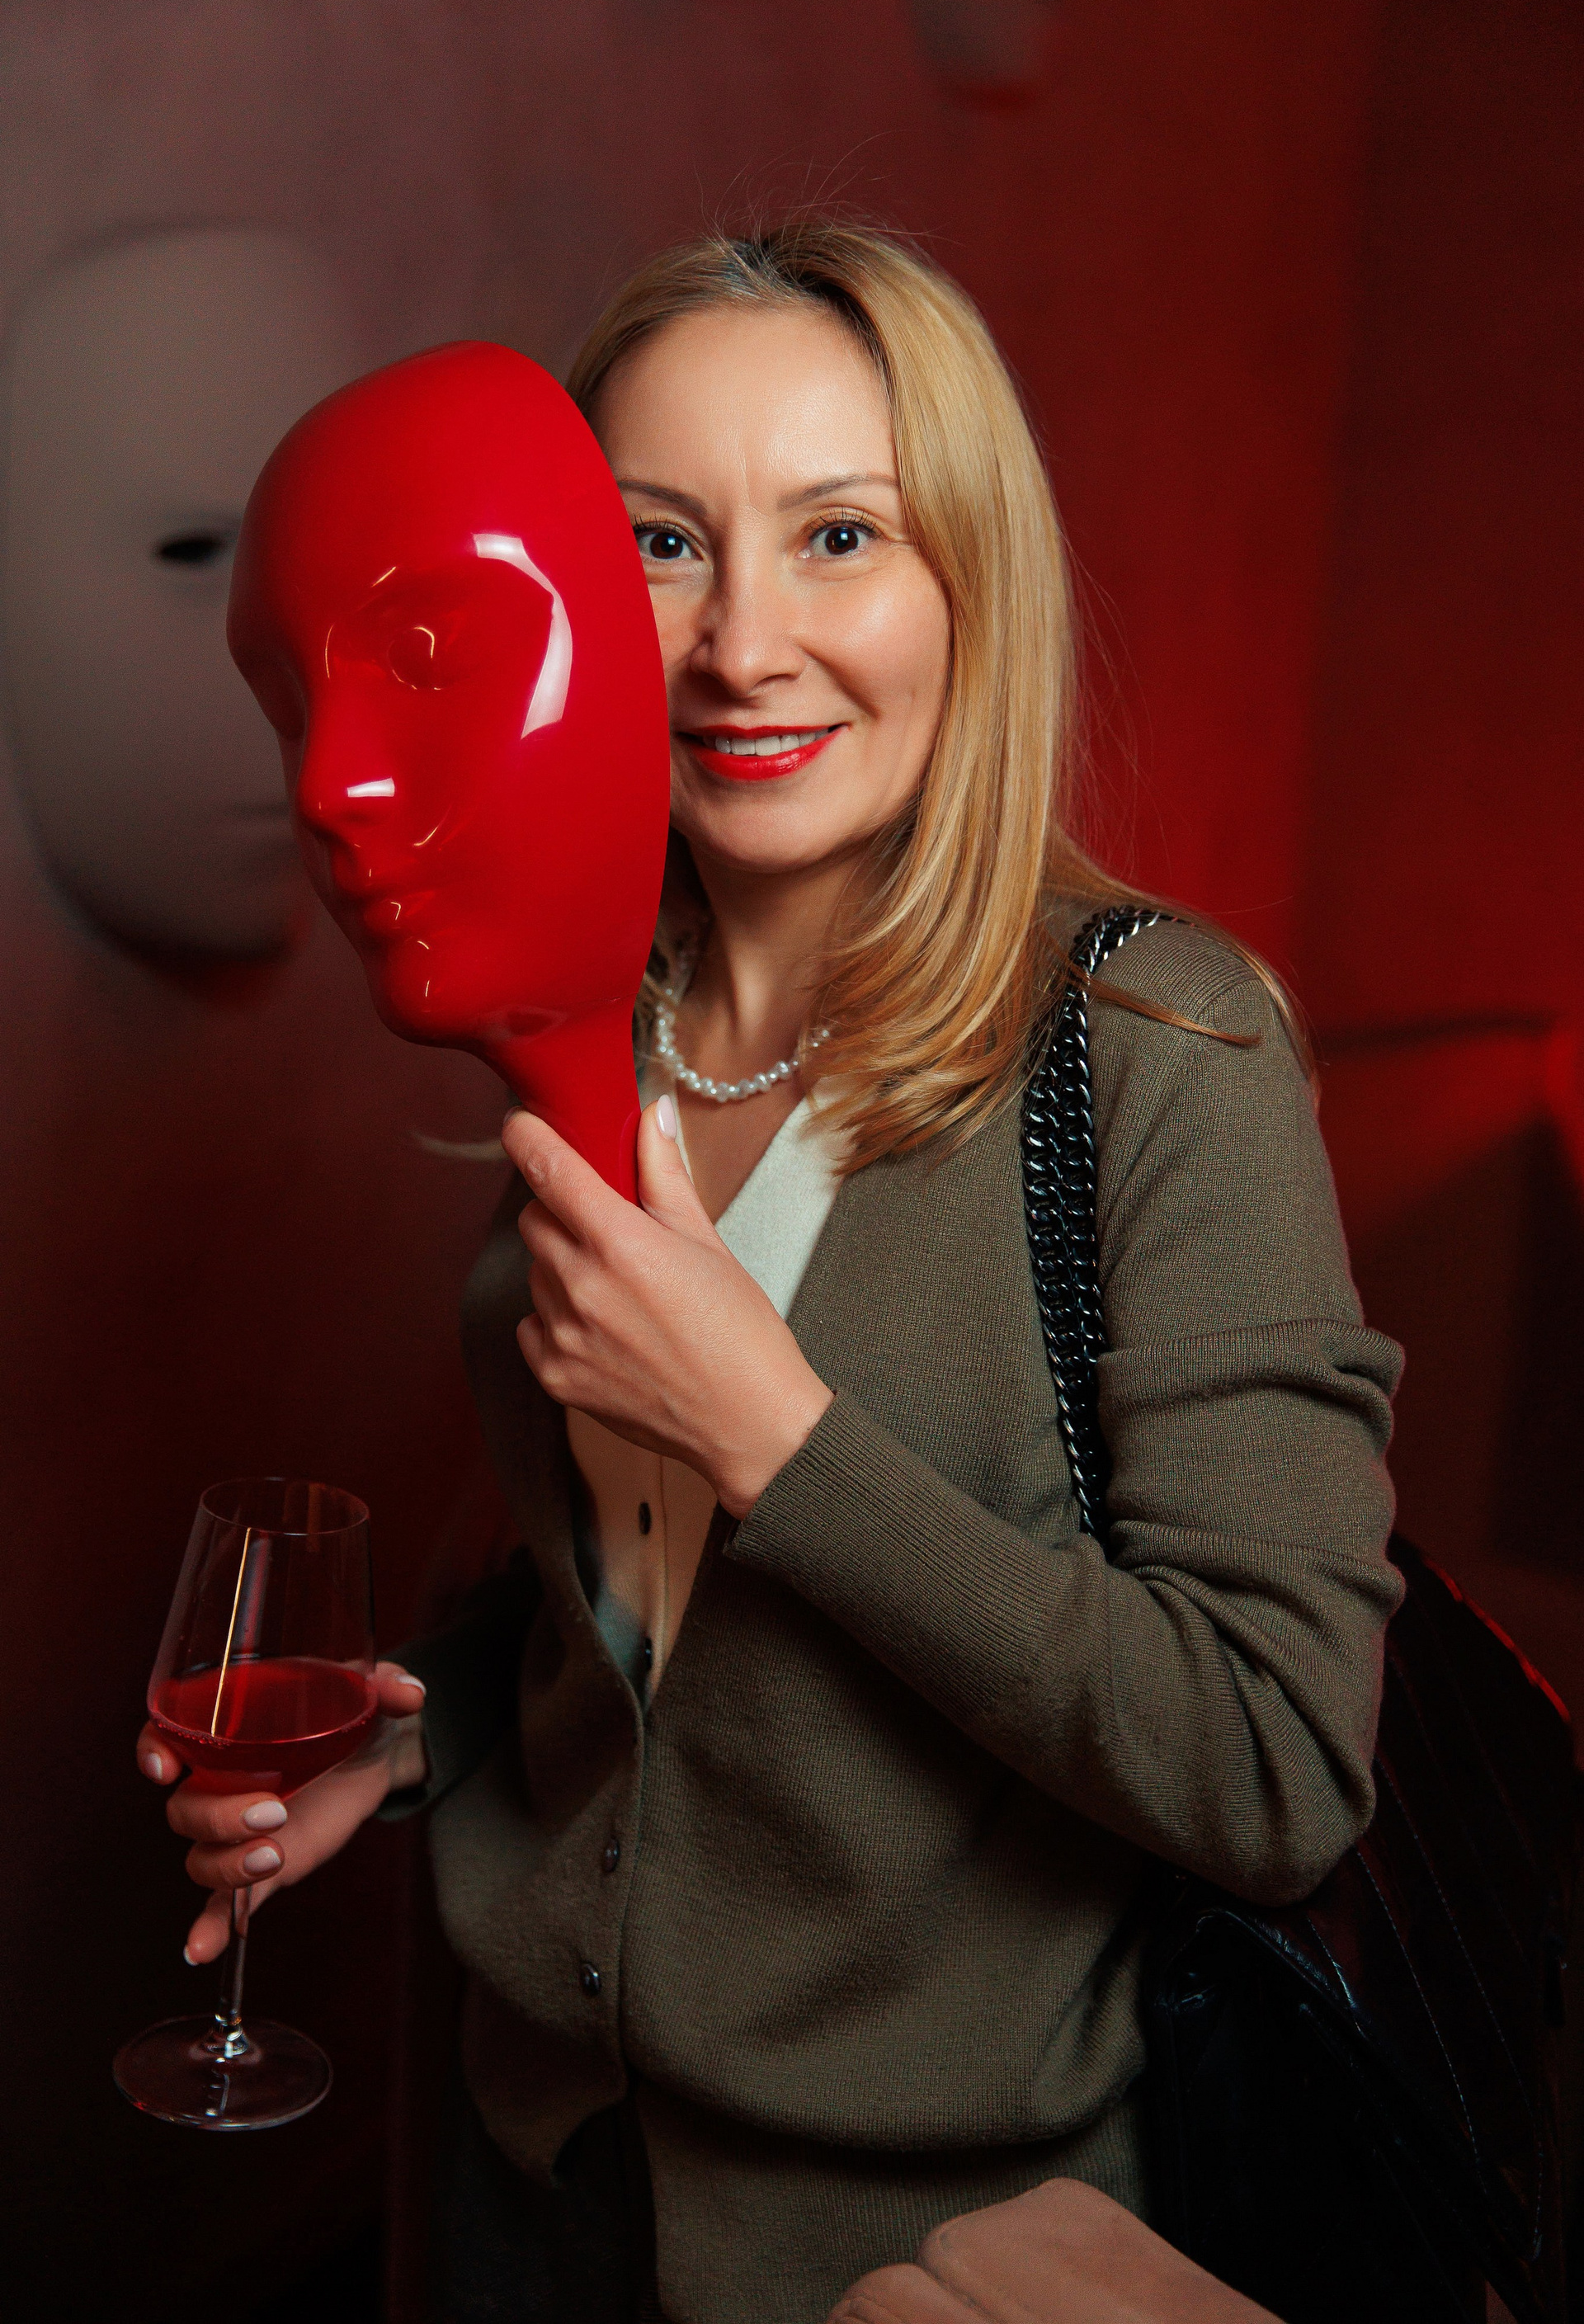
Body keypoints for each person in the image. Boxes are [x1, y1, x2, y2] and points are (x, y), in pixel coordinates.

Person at [139, 221, 1402, 2324]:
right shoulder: (598, 1027)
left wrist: (778, 1437)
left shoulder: (1158, 1051)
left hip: (915, 2259)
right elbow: (638, 1630)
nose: (743, 644)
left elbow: (1273, 1766)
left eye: (839, 536)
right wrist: (420, 1738)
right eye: (660, 543)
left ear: (968, 586)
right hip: (530, 2196)